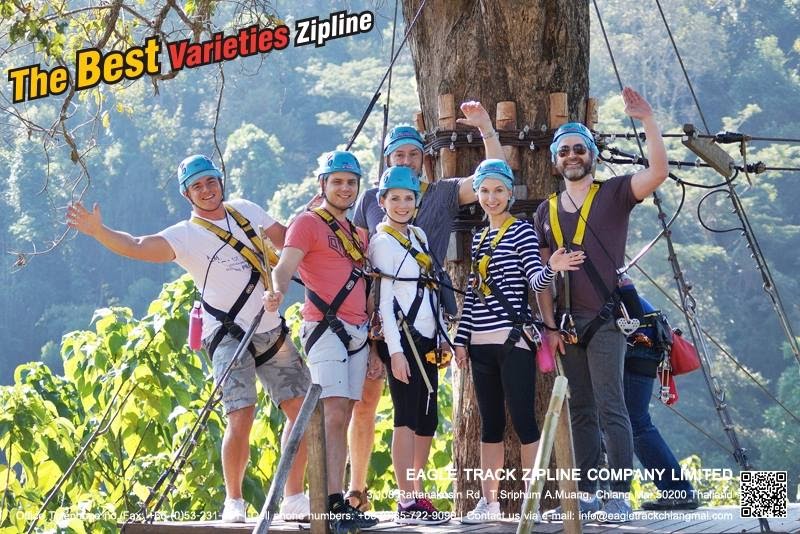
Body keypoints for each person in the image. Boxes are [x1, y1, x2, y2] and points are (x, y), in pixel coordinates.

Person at [65, 154, 312, 523]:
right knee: (241, 413)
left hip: (269, 325)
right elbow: (136, 245)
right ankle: (234, 500)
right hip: (227, 332)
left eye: (210, 182)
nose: (207, 190)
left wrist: (313, 219)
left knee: (302, 409)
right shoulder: (185, 235)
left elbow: (289, 241)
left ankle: (293, 496)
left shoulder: (245, 211)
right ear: (187, 194)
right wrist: (100, 232)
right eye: (197, 186)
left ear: (220, 182)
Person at [346, 101, 504, 511]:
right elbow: (367, 272)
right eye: (400, 155)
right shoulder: (373, 212)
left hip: (430, 320)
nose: (408, 160)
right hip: (393, 325)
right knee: (396, 410)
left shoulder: (432, 209)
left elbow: (493, 178)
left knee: (426, 413)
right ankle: (384, 493)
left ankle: (414, 494)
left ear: (425, 159)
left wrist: (486, 127)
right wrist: (382, 344)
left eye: (415, 154)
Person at [535, 87, 669, 523]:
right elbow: (541, 279)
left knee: (613, 406)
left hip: (607, 320)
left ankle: (617, 493)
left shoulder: (613, 194)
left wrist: (647, 120)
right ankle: (588, 492)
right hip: (570, 324)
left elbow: (658, 172)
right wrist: (550, 326)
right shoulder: (546, 211)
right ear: (556, 160)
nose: (572, 156)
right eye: (565, 151)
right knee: (582, 410)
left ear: (591, 155)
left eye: (579, 149)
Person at [453, 159, 584, 523]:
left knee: (525, 421)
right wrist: (460, 339)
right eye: (484, 191)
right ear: (476, 195)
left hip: (514, 340)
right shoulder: (478, 238)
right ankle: (488, 503)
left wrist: (552, 269)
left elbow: (535, 281)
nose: (491, 198)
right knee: (490, 423)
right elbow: (472, 291)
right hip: (479, 341)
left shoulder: (522, 231)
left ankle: (532, 502)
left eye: (498, 190)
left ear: (510, 193)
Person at [264, 150, 379, 531]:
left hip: (359, 331)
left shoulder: (359, 235)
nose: (345, 188)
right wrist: (276, 292)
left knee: (345, 413)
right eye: (337, 181)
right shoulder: (307, 223)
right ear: (323, 185)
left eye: (351, 182)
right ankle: (328, 502)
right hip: (324, 326)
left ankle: (338, 498)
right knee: (331, 412)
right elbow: (285, 267)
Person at [368, 166, 452, 525]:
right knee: (405, 416)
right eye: (395, 198)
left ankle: (417, 493)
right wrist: (396, 351)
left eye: (408, 198)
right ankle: (406, 498)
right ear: (382, 202)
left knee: (427, 417)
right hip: (402, 339)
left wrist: (444, 336)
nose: (402, 204)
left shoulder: (417, 234)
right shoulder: (383, 242)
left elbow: (431, 289)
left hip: (428, 337)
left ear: (416, 202)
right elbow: (385, 300)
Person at [623, 289, 700, 510]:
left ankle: (678, 490)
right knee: (631, 420)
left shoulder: (583, 268)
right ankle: (678, 489)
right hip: (645, 336)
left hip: (639, 340)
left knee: (632, 421)